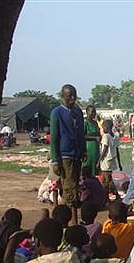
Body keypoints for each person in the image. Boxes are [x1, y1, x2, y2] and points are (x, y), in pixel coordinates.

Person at [50, 84, 87, 224]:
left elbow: (81, 133)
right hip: (65, 155)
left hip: (77, 154)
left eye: (74, 95)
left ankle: (73, 221)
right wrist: (55, 160)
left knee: (76, 186)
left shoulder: (77, 112)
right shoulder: (57, 112)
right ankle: (71, 223)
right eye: (69, 95)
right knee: (69, 188)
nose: (72, 98)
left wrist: (83, 150)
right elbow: (54, 138)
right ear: (63, 96)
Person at [98, 119, 122, 200]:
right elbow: (117, 151)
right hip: (112, 159)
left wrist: (99, 161)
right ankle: (106, 196)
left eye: (103, 127)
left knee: (107, 180)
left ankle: (115, 195)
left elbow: (104, 149)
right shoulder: (115, 137)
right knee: (105, 179)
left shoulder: (106, 136)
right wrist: (119, 163)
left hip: (106, 160)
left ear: (106, 127)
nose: (102, 129)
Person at [84, 105, 101, 176]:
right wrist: (94, 138)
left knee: (95, 165)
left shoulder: (95, 123)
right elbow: (82, 136)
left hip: (96, 148)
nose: (94, 114)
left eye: (95, 112)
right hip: (88, 147)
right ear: (87, 112)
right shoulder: (85, 122)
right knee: (88, 165)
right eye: (92, 112)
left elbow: (98, 133)